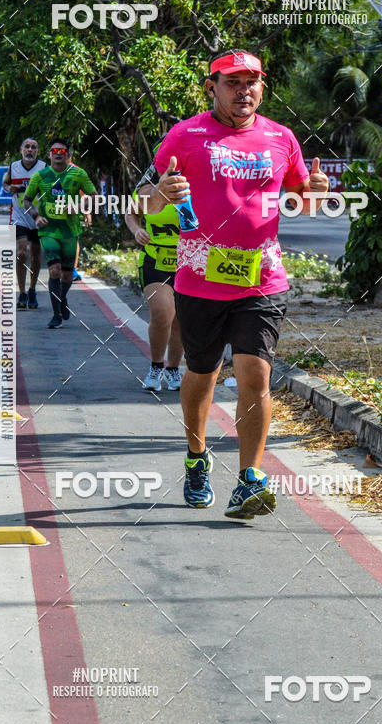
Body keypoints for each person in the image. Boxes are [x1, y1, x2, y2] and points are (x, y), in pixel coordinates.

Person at [138, 50, 328, 518]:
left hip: (262, 278)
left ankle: (249, 478)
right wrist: (161, 191)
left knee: (255, 374)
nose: (245, 90)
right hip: (199, 277)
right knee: (202, 374)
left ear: (262, 87)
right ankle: (197, 457)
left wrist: (317, 193)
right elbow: (144, 197)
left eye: (253, 82)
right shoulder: (185, 134)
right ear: (212, 87)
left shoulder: (281, 138)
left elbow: (302, 201)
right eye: (233, 82)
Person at [126, 138, 183, 392]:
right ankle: (156, 366)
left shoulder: (195, 183)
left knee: (181, 319)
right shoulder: (147, 186)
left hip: (188, 261)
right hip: (156, 258)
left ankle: (173, 369)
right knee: (163, 313)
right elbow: (131, 211)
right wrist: (137, 230)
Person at [22, 138, 97, 329]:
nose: (58, 154)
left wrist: (80, 206)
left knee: (66, 276)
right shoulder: (40, 176)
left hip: (70, 230)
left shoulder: (78, 174)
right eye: (54, 151)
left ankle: (62, 299)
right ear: (48, 154)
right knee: (54, 271)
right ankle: (56, 315)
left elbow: (94, 197)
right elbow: (27, 201)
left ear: (68, 155)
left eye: (62, 151)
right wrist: (36, 216)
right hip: (48, 230)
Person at [2, 137, 46, 309]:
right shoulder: (13, 167)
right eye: (27, 146)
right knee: (21, 253)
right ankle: (21, 292)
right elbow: (5, 183)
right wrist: (8, 188)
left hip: (37, 217)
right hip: (18, 217)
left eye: (33, 147)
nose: (30, 150)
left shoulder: (43, 168)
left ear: (38, 151)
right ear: (21, 149)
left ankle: (32, 289)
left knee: (36, 254)